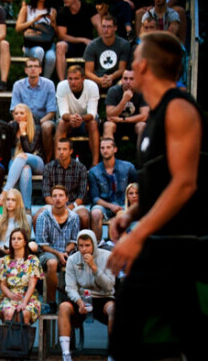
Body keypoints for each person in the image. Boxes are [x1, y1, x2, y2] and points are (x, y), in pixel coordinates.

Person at [106, 32, 207, 360]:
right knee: (184, 335)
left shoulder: (179, 109)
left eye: (135, 59)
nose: (131, 64)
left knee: (127, 333)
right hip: (162, 243)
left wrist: (139, 235)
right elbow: (161, 184)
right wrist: (131, 214)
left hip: (180, 245)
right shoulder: (155, 116)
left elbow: (184, 184)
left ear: (143, 66)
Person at [59, 229, 115, 361]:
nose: (84, 249)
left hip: (102, 297)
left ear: (94, 244)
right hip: (81, 297)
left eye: (87, 245)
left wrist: (95, 268)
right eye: (81, 246)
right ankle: (66, 354)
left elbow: (109, 286)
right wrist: (79, 302)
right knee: (63, 307)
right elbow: (70, 287)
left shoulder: (106, 256)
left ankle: (113, 354)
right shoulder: (73, 259)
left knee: (114, 309)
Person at [35, 185, 80, 313]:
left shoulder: (74, 217)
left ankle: (77, 302)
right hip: (48, 252)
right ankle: (51, 302)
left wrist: (65, 252)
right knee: (52, 262)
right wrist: (58, 254)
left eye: (61, 196)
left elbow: (74, 241)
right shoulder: (43, 216)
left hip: (67, 251)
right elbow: (42, 245)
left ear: (67, 198)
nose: (57, 199)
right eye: (54, 196)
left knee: (81, 261)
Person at [88, 138, 137, 240]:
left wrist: (129, 204)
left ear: (115, 149)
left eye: (108, 147)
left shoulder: (128, 167)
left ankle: (123, 243)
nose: (105, 150)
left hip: (124, 203)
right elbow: (95, 198)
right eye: (102, 148)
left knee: (122, 213)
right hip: (105, 205)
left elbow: (136, 187)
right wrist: (110, 206)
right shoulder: (94, 171)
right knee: (95, 213)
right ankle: (97, 245)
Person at [10, 57, 57, 163]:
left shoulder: (49, 84)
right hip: (23, 119)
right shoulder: (18, 85)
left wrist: (38, 123)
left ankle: (48, 162)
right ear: (26, 70)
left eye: (36, 66)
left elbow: (51, 112)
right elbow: (14, 109)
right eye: (30, 66)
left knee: (46, 126)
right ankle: (11, 158)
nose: (33, 69)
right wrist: (24, 121)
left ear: (40, 69)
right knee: (10, 125)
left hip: (43, 120)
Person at [38, 138, 90, 230]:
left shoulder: (80, 168)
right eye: (59, 149)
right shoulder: (49, 167)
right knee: (38, 216)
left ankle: (82, 243)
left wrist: (69, 207)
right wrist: (57, 206)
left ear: (71, 151)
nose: (61, 152)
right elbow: (46, 194)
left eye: (64, 149)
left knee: (84, 216)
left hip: (73, 205)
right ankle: (41, 243)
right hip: (53, 204)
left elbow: (82, 195)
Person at [0, 104, 44, 210]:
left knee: (22, 156)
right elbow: (7, 150)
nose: (18, 116)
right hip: (17, 163)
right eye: (16, 113)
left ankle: (5, 192)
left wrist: (23, 132)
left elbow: (30, 150)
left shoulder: (36, 128)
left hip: (36, 161)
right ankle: (26, 209)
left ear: (28, 115)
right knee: (25, 170)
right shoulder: (12, 128)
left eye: (22, 113)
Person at [55, 65, 101, 166]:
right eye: (70, 79)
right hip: (68, 122)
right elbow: (63, 113)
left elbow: (92, 113)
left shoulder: (92, 86)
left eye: (76, 79)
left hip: (86, 121)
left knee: (93, 123)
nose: (73, 82)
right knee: (62, 123)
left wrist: (81, 118)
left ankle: (95, 164)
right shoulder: (62, 86)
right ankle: (57, 163)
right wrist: (71, 118)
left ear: (83, 79)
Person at [55, 0, 100, 81]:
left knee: (99, 46)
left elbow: (99, 26)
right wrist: (82, 40)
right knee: (60, 46)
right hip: (71, 45)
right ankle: (62, 82)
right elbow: (62, 36)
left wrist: (100, 43)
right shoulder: (62, 13)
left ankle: (95, 83)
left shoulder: (89, 8)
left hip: (89, 45)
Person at [0, 228, 41, 324]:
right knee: (9, 313)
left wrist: (24, 302)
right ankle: (9, 339)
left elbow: (32, 285)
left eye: (19, 238)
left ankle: (23, 339)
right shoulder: (5, 260)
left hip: (29, 297)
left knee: (24, 313)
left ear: (25, 242)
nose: (16, 241)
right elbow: (3, 284)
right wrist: (10, 295)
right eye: (13, 239)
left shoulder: (33, 260)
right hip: (10, 296)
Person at [15, 0, 57, 78]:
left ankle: (45, 82)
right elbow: (18, 28)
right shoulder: (27, 8)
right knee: (39, 51)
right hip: (31, 43)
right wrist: (34, 21)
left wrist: (54, 24)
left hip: (48, 43)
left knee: (51, 57)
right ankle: (34, 79)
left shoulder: (52, 11)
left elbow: (58, 34)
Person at [83, 15, 130, 91]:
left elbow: (122, 69)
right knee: (87, 84)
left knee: (124, 82)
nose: (106, 29)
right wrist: (99, 80)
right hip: (97, 79)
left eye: (109, 27)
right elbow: (88, 72)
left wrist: (111, 77)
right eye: (103, 26)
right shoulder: (92, 45)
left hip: (117, 79)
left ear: (115, 28)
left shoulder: (124, 44)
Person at [103, 69, 149, 145]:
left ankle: (141, 155)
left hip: (134, 123)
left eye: (131, 79)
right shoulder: (113, 91)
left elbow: (144, 116)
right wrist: (124, 100)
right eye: (125, 78)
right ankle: (108, 155)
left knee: (142, 125)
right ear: (121, 80)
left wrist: (123, 119)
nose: (128, 82)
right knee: (108, 125)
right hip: (117, 125)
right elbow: (110, 115)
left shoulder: (142, 92)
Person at [0, 189, 33, 257]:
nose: (10, 202)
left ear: (18, 202)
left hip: (20, 250)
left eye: (13, 200)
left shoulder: (27, 218)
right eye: (8, 199)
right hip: (1, 250)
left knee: (33, 245)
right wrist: (2, 248)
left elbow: (27, 239)